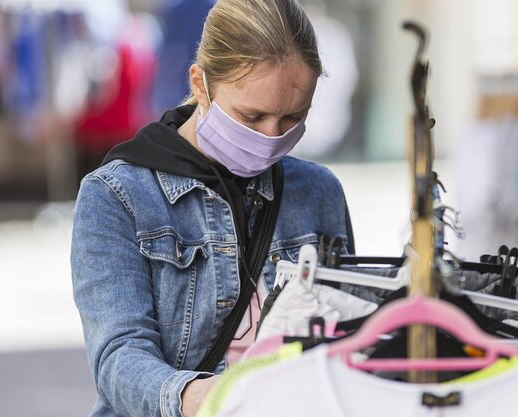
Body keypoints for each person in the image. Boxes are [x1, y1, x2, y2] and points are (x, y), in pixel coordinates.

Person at [70, 1, 354, 416]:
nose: (270, 138)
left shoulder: (319, 191)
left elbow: (343, 330)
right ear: (199, 84)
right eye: (251, 116)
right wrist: (205, 399)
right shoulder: (116, 196)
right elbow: (117, 358)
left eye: (293, 118)